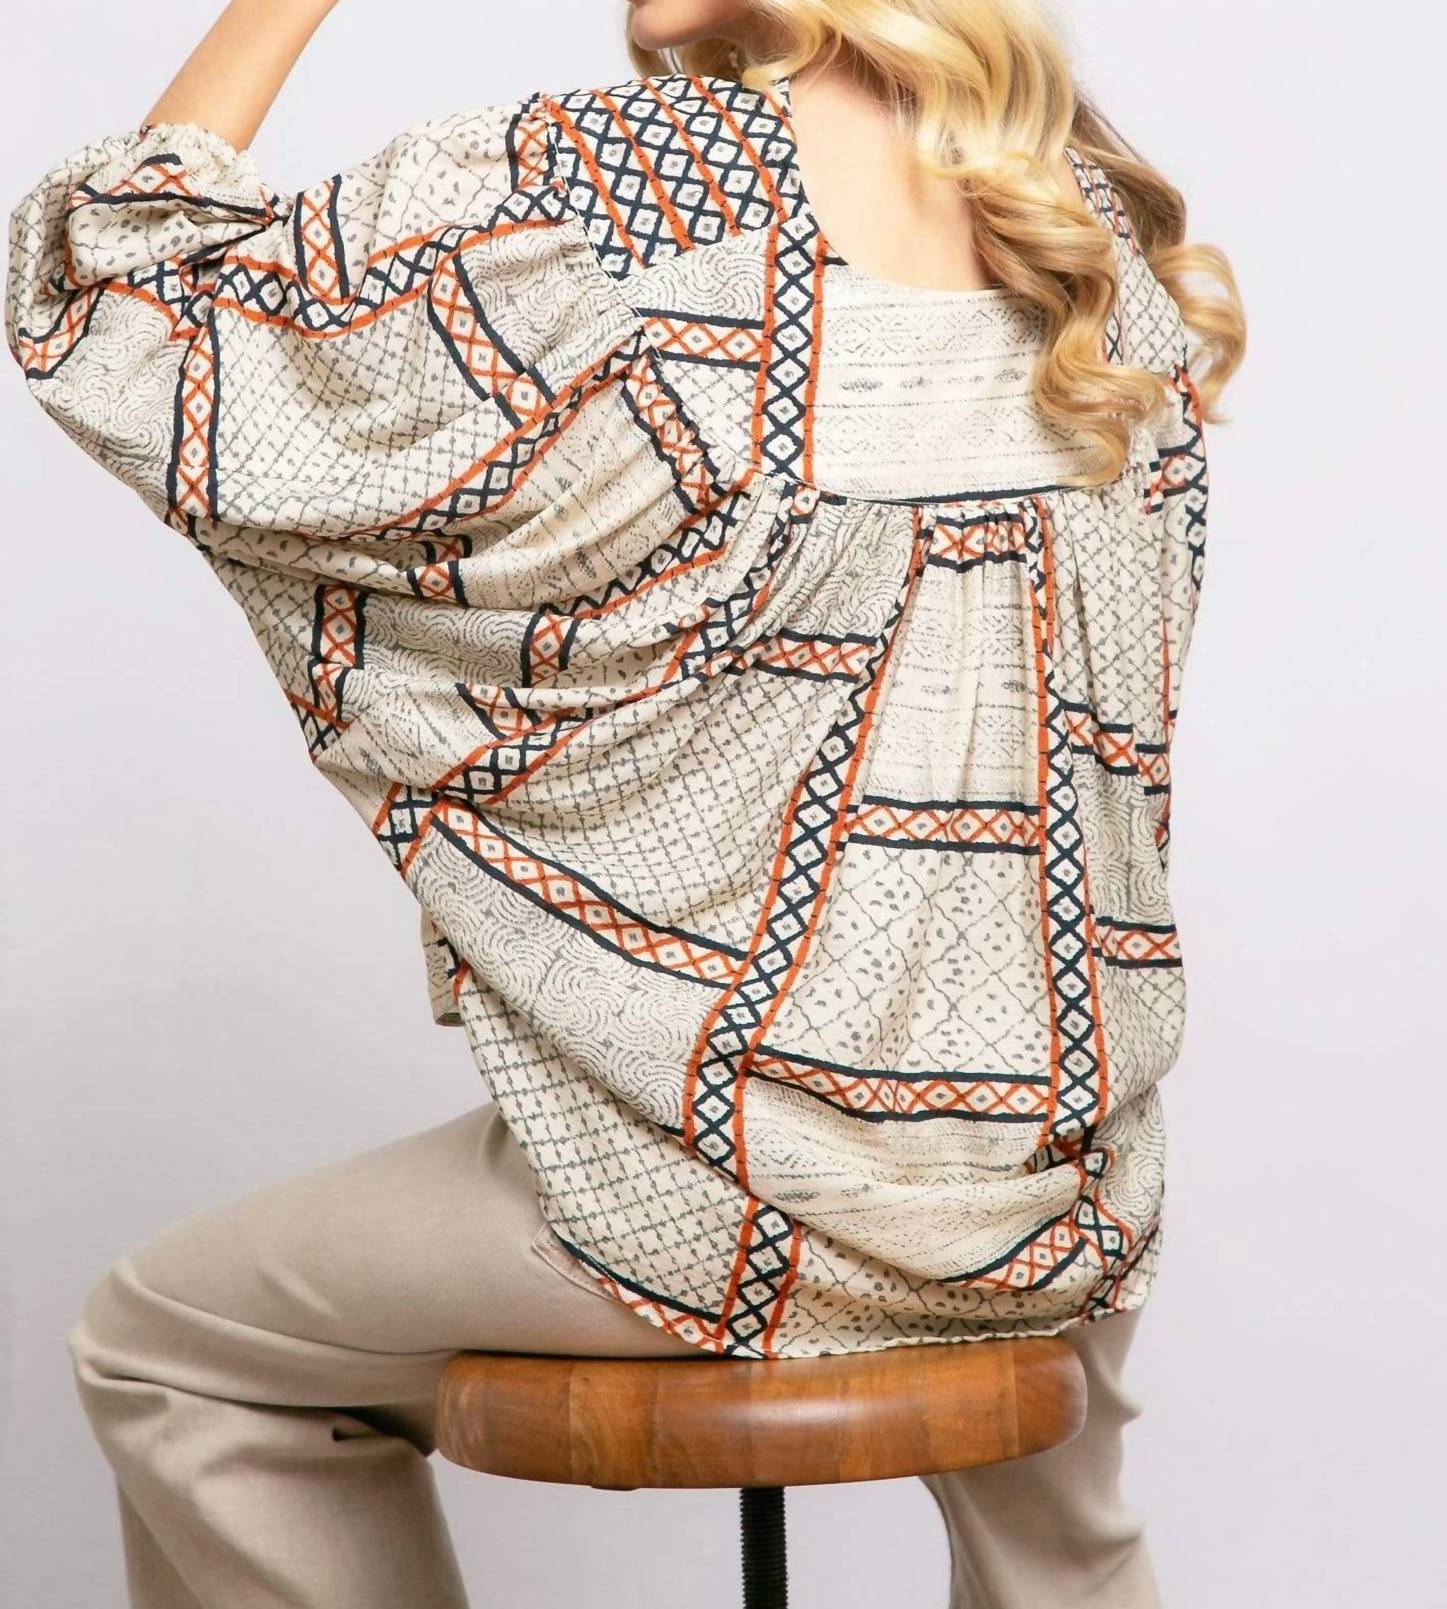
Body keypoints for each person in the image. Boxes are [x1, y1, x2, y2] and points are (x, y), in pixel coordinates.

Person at [5, 0, 1245, 1602]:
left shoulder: (626, 191)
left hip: (720, 1185)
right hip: (1051, 1182)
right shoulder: (1086, 248)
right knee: (1065, 1549)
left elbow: (117, 301)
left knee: (163, 1347)